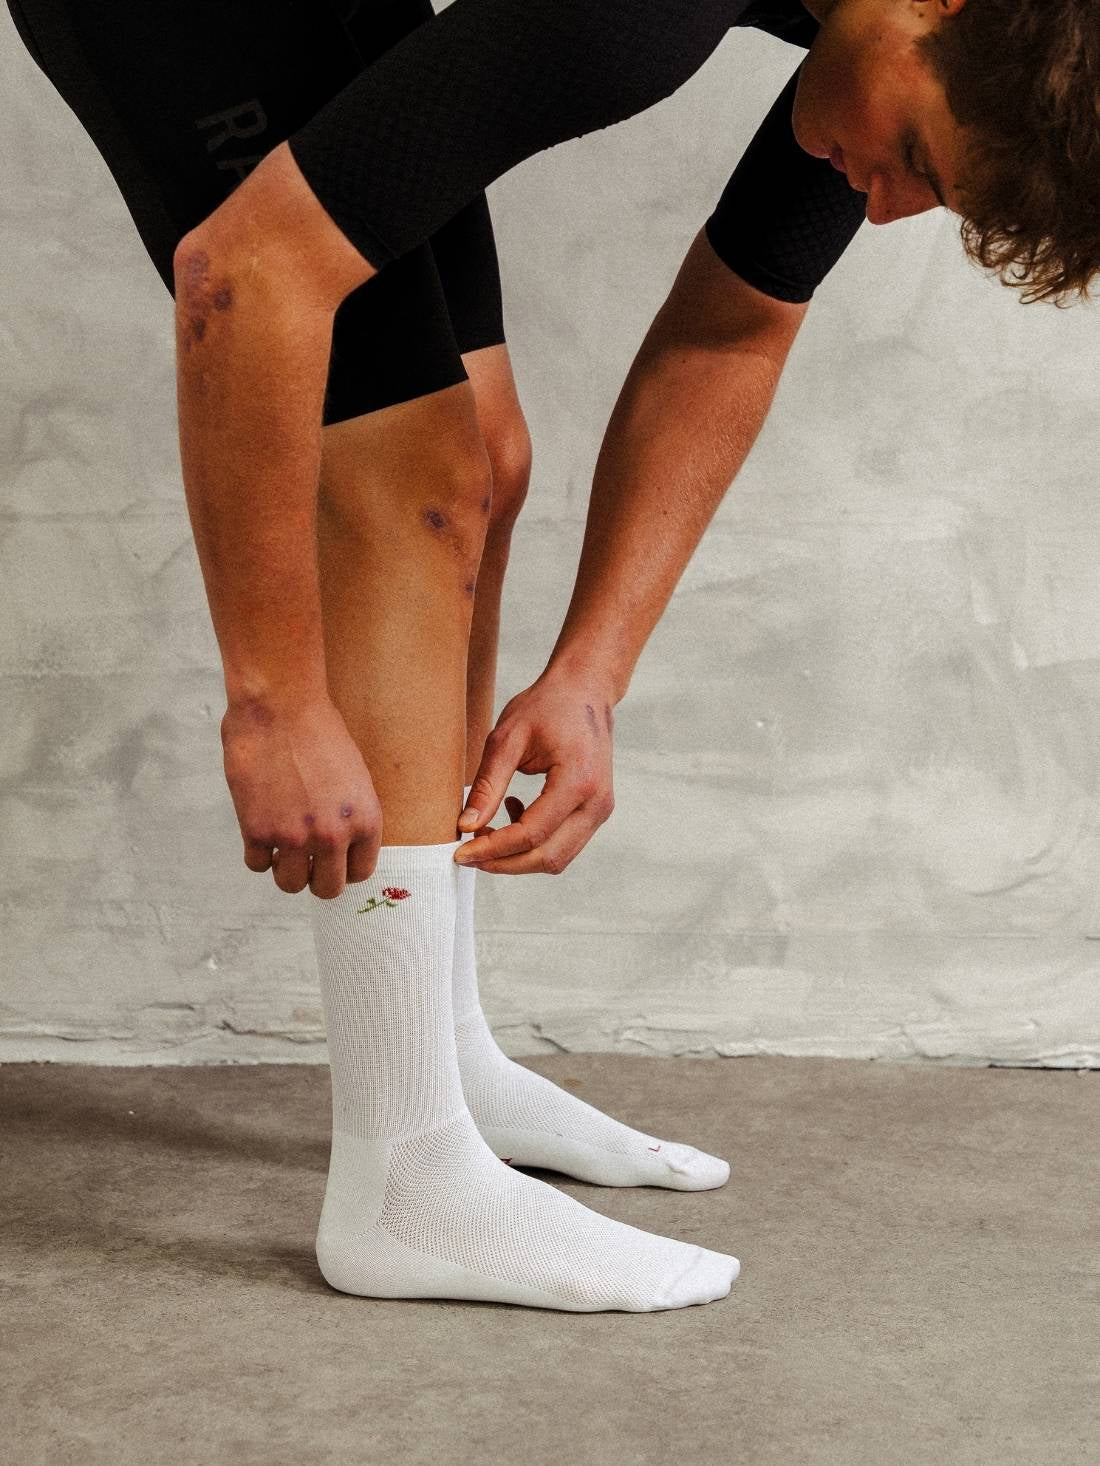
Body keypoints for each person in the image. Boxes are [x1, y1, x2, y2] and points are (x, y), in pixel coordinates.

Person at [5, 0, 1095, 1311]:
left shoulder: (873, 41)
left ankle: (442, 1055)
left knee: (487, 457)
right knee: (409, 463)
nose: (886, 213)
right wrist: (273, 697)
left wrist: (590, 675)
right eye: (919, 161)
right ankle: (406, 1178)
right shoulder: (640, 16)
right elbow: (245, 277)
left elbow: (732, 326)